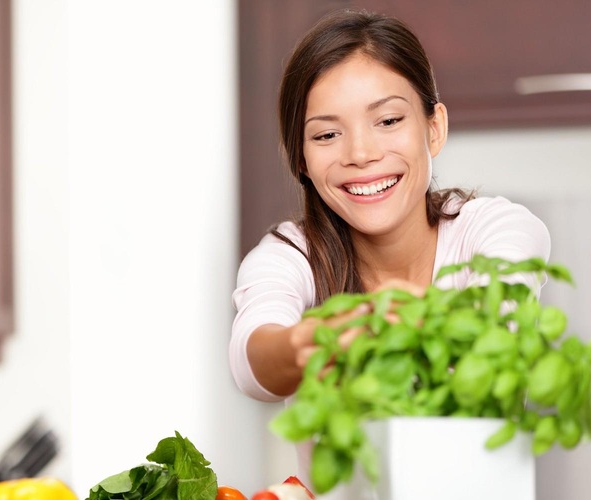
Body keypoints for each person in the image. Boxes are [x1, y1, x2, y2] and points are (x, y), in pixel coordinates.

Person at [229, 8, 551, 488]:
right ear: (301, 156)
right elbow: (254, 359)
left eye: (388, 120)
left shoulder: (494, 230)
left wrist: (404, 324)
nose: (360, 153)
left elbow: (496, 316)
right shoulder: (289, 256)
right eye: (327, 134)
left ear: (434, 127)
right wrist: (308, 342)